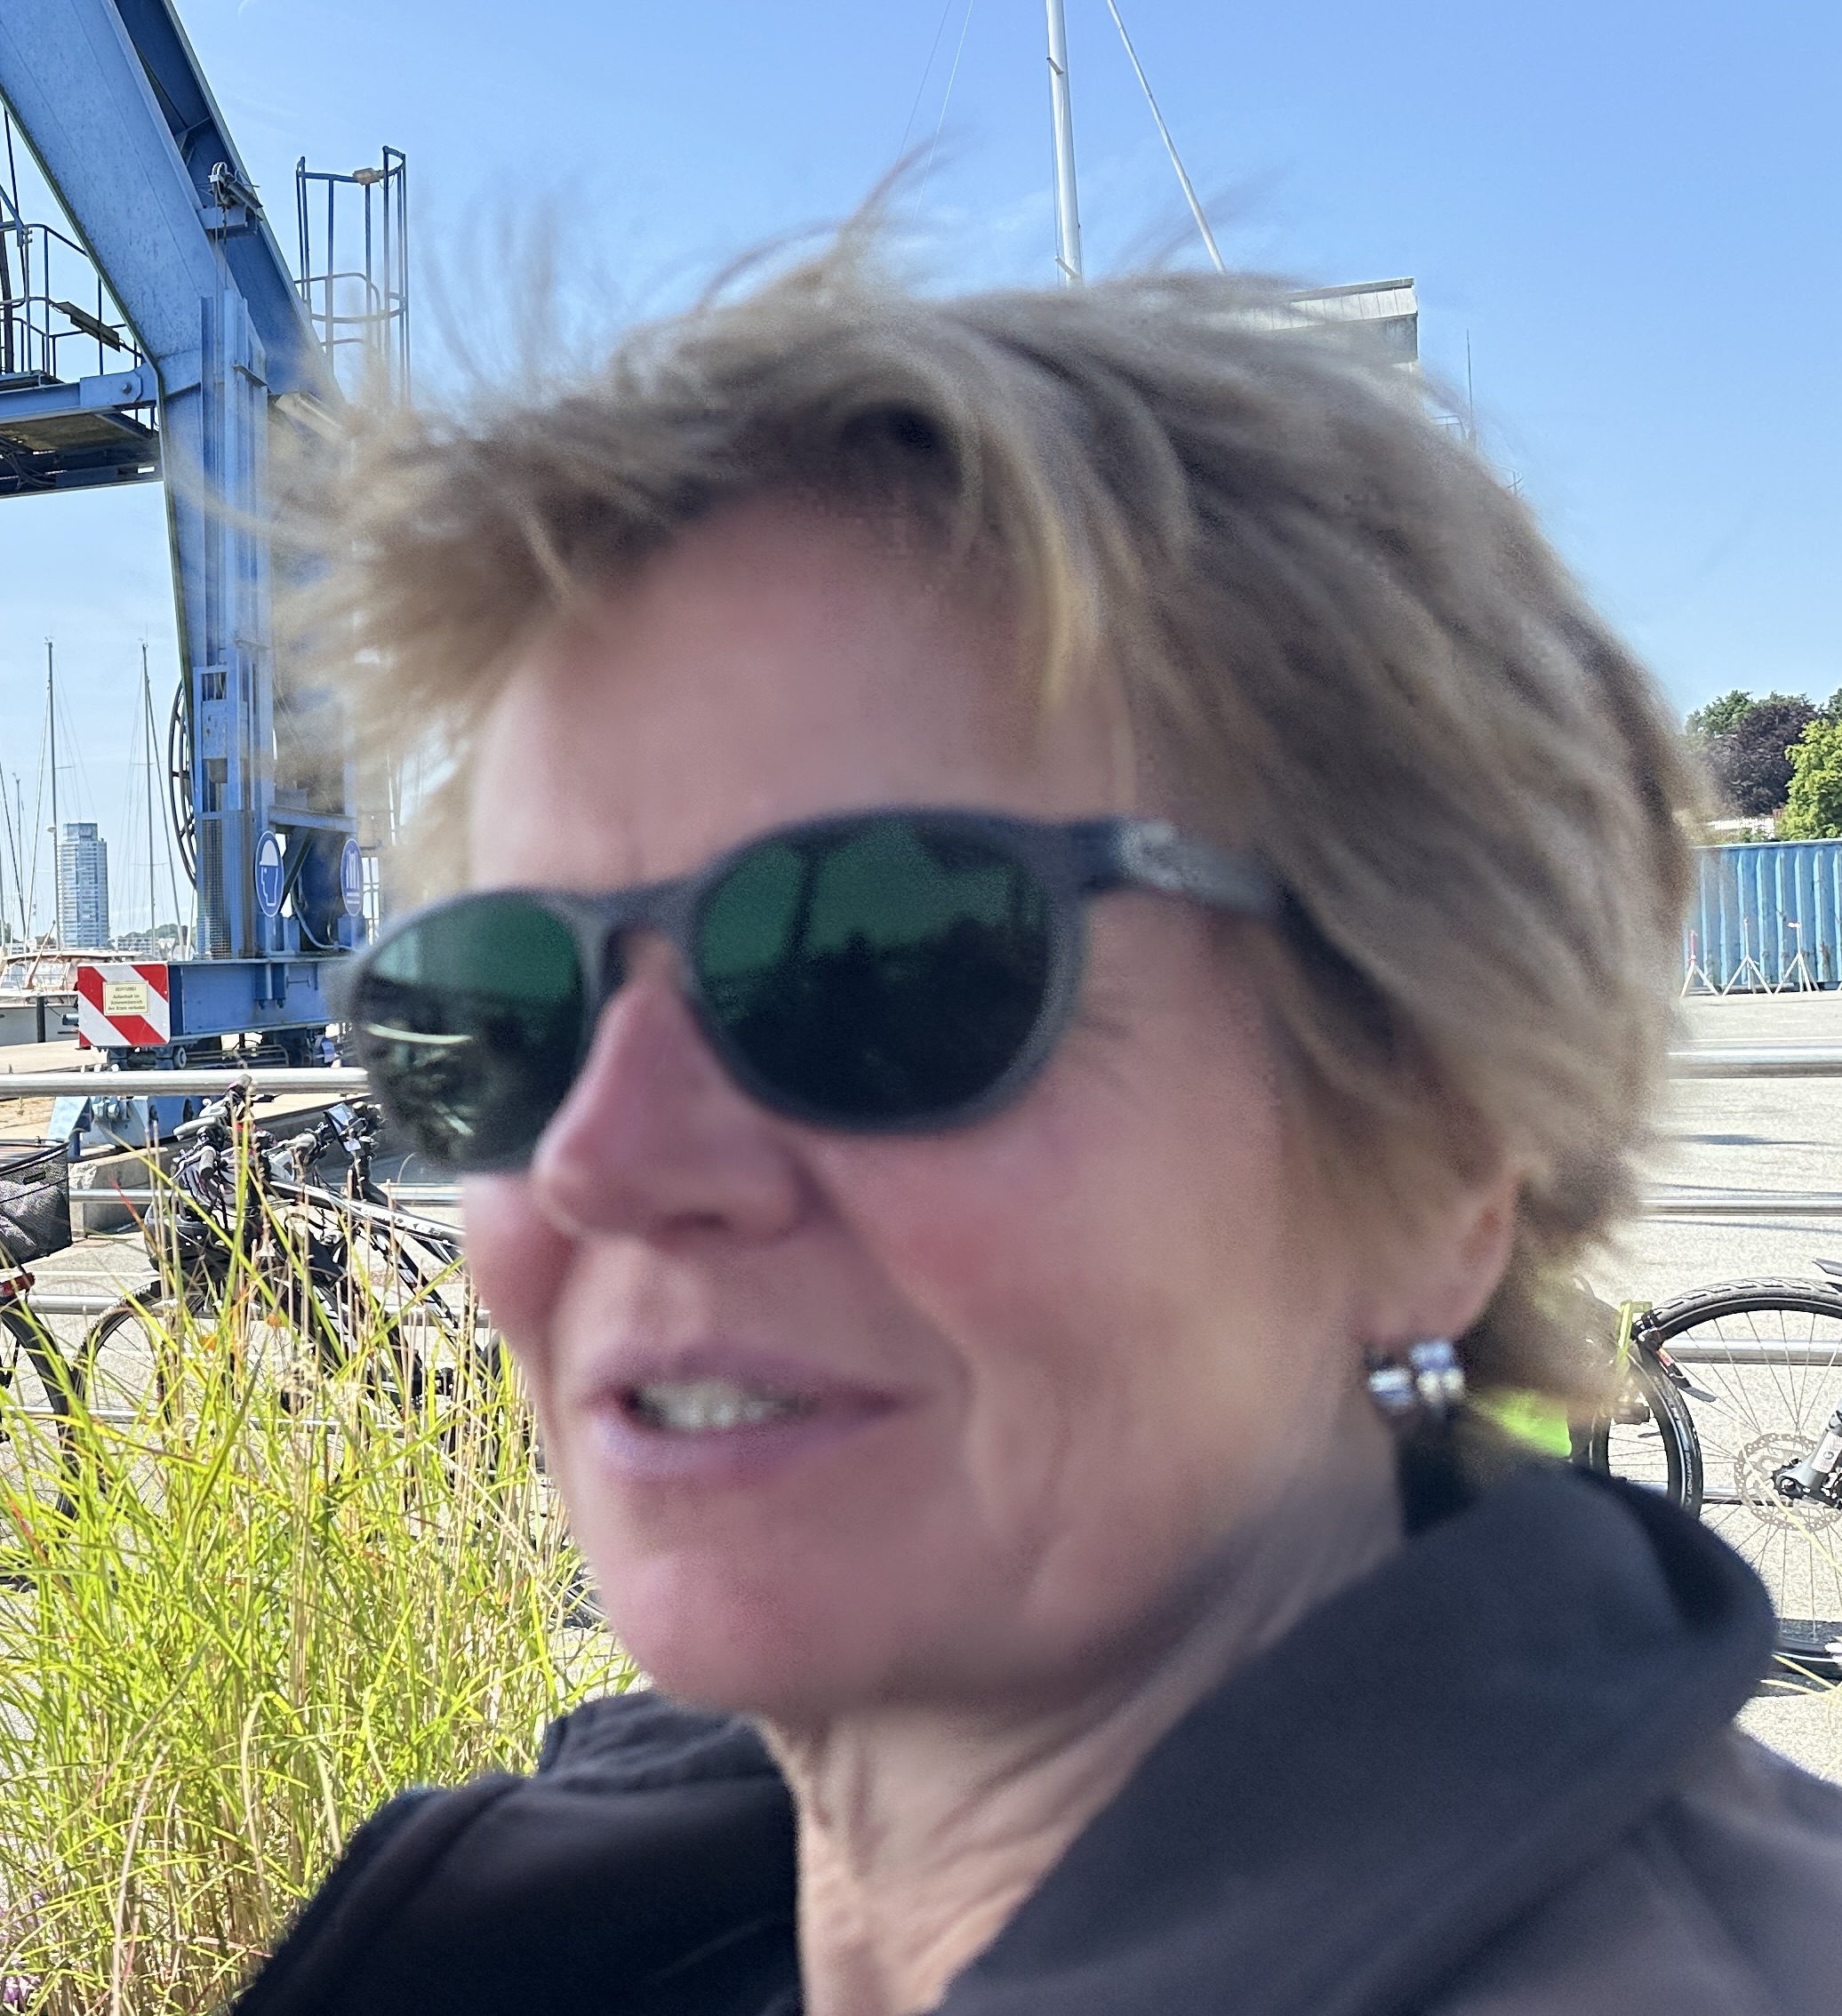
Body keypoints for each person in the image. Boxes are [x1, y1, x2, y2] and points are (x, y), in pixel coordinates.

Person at [236, 249, 1842, 2014]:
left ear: (1440, 1150)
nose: (597, 1160)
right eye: (506, 1006)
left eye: (884, 965)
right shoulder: (603, 1922)